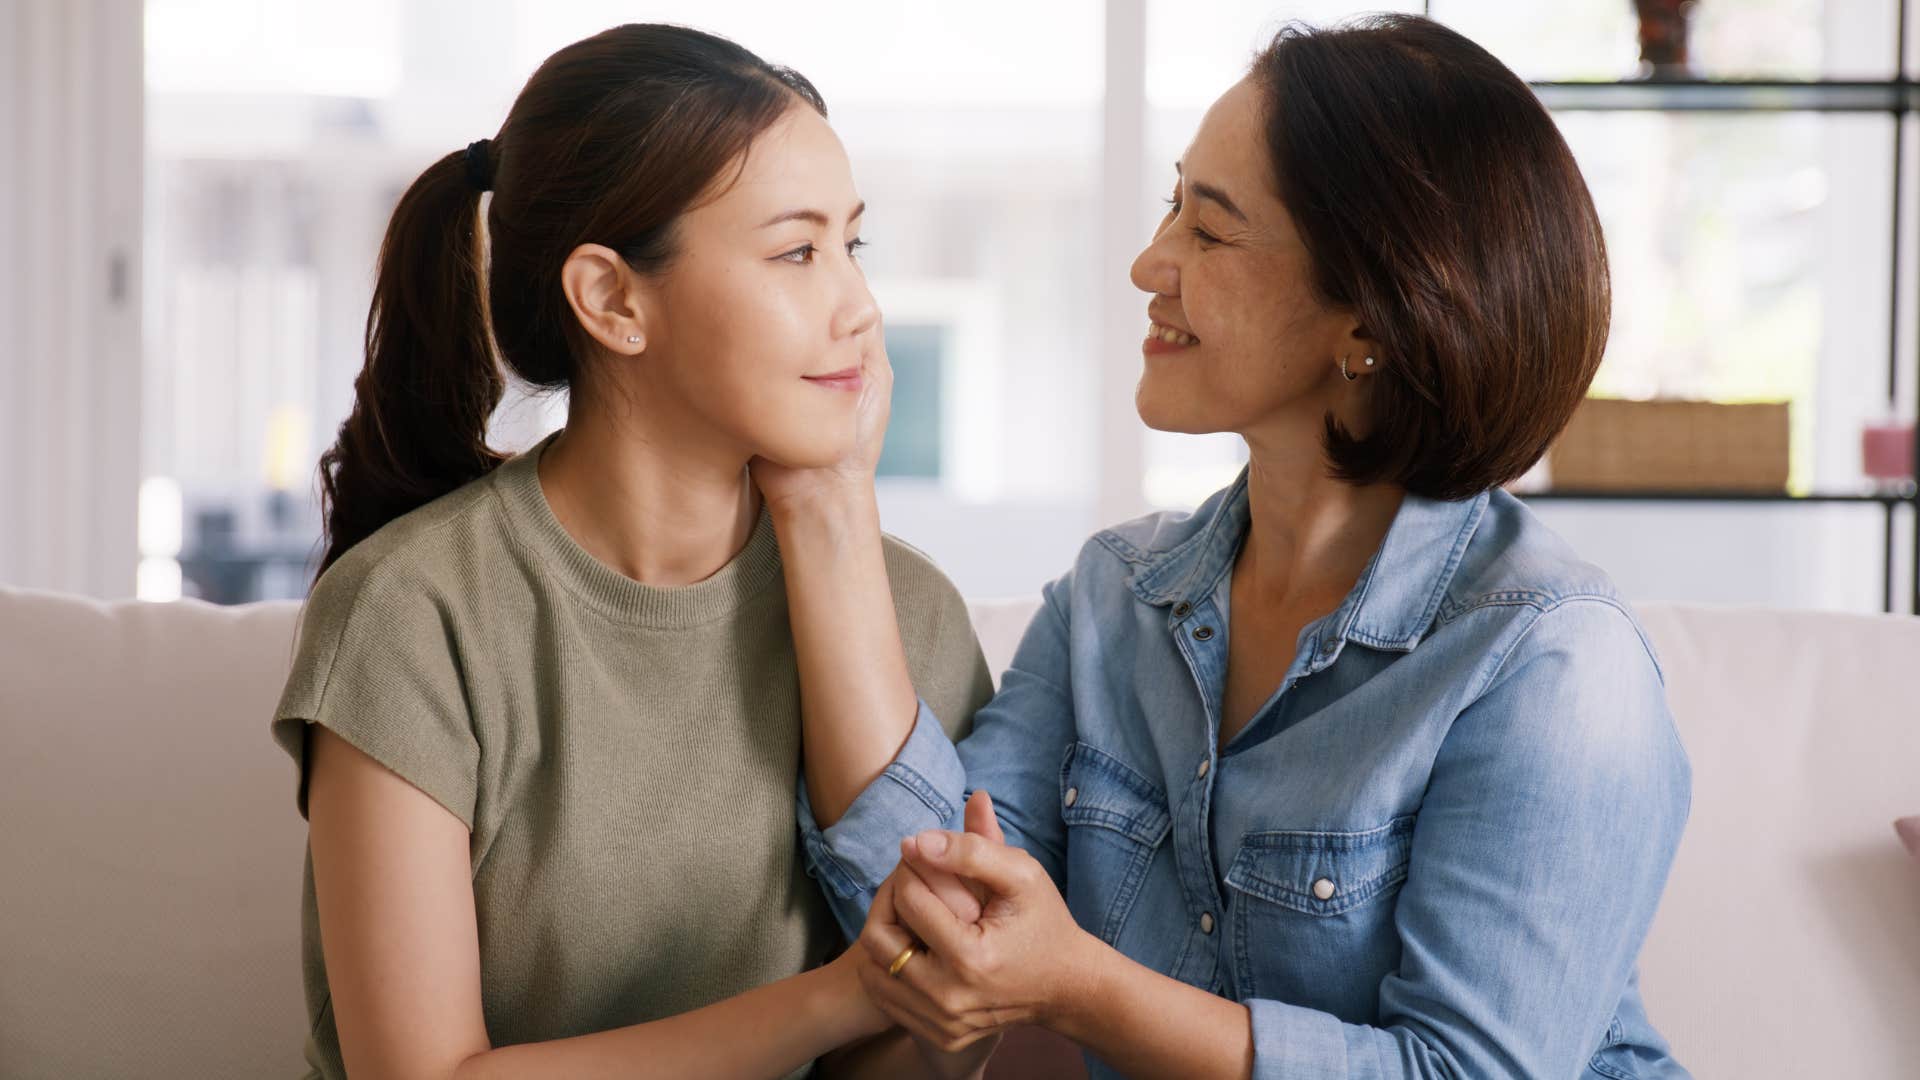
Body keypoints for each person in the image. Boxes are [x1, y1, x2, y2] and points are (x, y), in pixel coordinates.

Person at [793, 16, 1693, 1080]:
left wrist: (1080, 983)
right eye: (1170, 204)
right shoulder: (1112, 600)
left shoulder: (1550, 663)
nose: (1147, 263)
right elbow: (925, 918)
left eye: (1209, 232)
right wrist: (829, 492)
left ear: (1369, 320)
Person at [269, 24, 993, 1079]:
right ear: (612, 299)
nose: (861, 308)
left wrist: (833, 513)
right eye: (797, 251)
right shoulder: (413, 615)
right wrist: (835, 1001)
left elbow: (937, 1048)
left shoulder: (908, 614)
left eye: (852, 245)